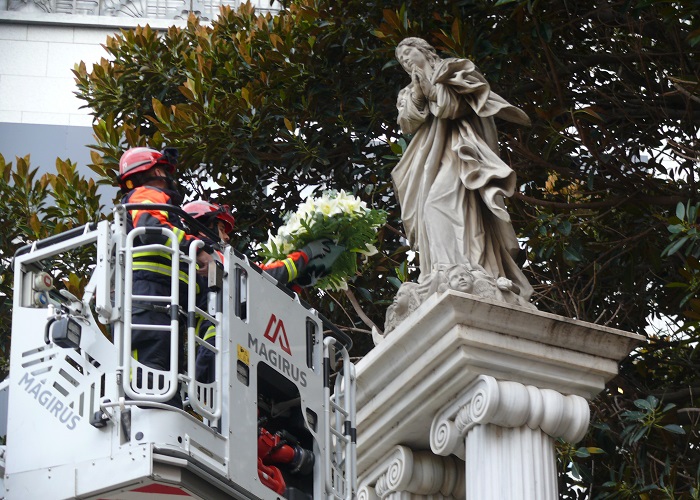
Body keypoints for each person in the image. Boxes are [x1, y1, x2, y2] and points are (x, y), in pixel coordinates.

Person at [391, 37, 534, 302]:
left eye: (409, 52)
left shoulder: (454, 70)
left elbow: (454, 108)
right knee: (430, 210)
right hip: (428, 160)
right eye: (401, 59)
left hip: (461, 153)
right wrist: (419, 94)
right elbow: (407, 123)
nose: (406, 60)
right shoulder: (407, 93)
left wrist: (433, 90)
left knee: (447, 207)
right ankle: (445, 270)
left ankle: (471, 268)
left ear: (425, 51)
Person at [182, 200, 342, 383]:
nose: (226, 237)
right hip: (217, 346)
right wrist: (305, 255)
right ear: (202, 226)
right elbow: (260, 276)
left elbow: (260, 294)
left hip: (234, 347)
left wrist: (298, 283)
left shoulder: (211, 257)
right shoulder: (203, 253)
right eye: (221, 228)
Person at [118, 147, 214, 407]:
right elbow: (152, 228)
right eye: (163, 171)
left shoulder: (159, 202)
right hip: (148, 300)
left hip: (163, 306)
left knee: (162, 383)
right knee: (146, 383)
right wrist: (198, 247)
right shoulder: (148, 195)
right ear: (155, 171)